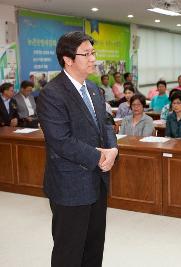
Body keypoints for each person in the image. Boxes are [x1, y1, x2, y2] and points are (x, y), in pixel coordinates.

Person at [37, 31, 118, 267]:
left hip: (98, 180)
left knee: (94, 245)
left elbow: (106, 123)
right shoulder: (52, 94)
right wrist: (99, 156)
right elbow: (61, 140)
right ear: (68, 59)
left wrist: (112, 149)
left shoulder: (94, 89)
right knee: (69, 250)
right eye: (87, 54)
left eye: (93, 52)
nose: (93, 58)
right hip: (70, 185)